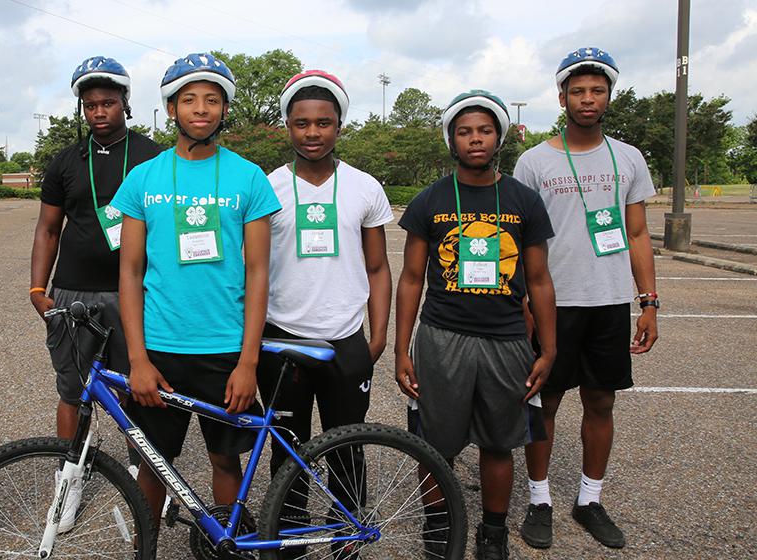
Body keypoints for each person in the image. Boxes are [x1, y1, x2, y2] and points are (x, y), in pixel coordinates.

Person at [110, 52, 281, 529]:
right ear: (171, 110)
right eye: (189, 100)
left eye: (212, 100)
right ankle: (145, 544)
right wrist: (138, 358)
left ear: (225, 109)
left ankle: (222, 541)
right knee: (153, 463)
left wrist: (248, 362)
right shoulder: (143, 178)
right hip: (160, 348)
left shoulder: (249, 177)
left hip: (225, 349)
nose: (201, 109)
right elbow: (129, 272)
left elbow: (259, 272)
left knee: (226, 461)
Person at [394, 90, 557, 559]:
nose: (475, 140)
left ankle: (493, 532)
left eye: (484, 130)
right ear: (451, 138)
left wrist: (548, 349)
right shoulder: (431, 201)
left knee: (499, 443)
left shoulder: (525, 201)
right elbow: (410, 279)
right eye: (464, 131)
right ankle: (438, 525)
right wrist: (402, 349)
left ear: (499, 136)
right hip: (442, 336)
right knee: (434, 446)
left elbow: (541, 280)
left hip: (506, 339)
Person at [514, 47, 659, 551]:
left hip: (609, 301)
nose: (587, 99)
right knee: (544, 402)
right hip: (552, 302)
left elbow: (638, 234)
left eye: (597, 90)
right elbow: (521, 240)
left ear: (609, 97)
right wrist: (525, 305)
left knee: (601, 400)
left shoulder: (628, 158)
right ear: (562, 97)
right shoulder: (533, 161)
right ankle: (539, 500)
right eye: (578, 91)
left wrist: (648, 301)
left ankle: (589, 499)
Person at [29, 56, 161, 532]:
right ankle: (70, 477)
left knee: (137, 389)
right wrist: (37, 288)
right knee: (74, 389)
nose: (99, 111)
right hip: (73, 291)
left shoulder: (153, 156)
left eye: (108, 102)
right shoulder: (65, 161)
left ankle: (138, 476)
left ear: (126, 103)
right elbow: (47, 229)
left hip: (136, 292)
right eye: (90, 105)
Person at [257, 69, 392, 483]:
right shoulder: (267, 188)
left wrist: (379, 335)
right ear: (287, 126)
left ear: (339, 125)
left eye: (323, 122)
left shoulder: (365, 187)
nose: (312, 132)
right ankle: (288, 543)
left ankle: (344, 544)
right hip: (281, 339)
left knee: (347, 453)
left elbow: (378, 266)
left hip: (346, 341)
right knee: (287, 455)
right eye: (301, 123)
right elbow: (254, 268)